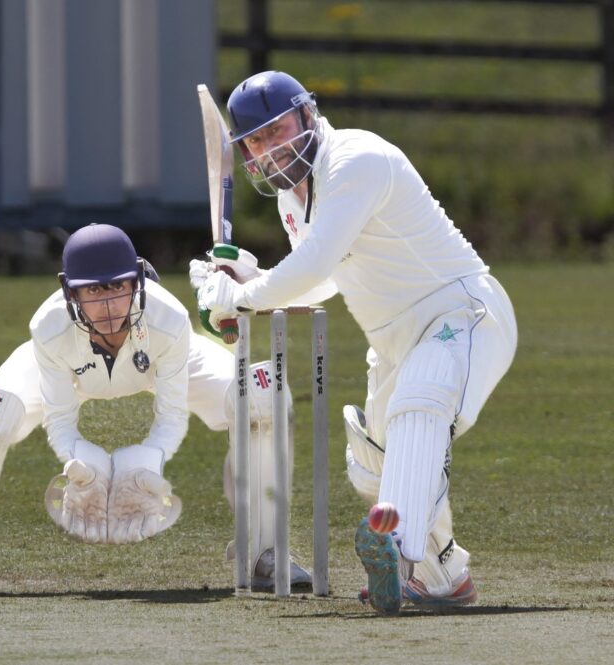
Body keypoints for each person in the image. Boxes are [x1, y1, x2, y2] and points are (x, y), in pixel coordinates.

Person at [193, 71, 518, 615]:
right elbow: (326, 275)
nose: (272, 147)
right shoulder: (292, 200)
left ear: (307, 115)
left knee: (421, 403)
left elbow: (315, 263)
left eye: (280, 130)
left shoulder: (355, 160)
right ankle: (441, 576)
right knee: (373, 465)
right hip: (391, 342)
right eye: (257, 141)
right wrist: (248, 282)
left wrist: (242, 298)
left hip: (461, 311)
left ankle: (396, 542)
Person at [0, 223, 311, 594]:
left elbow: (171, 417)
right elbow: (60, 419)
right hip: (70, 370)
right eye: (94, 291)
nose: (109, 304)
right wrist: (82, 463)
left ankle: (265, 552)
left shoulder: (167, 319)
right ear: (71, 292)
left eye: (118, 287)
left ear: (137, 281)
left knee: (261, 398)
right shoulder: (49, 327)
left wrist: (146, 462)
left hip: (158, 360)